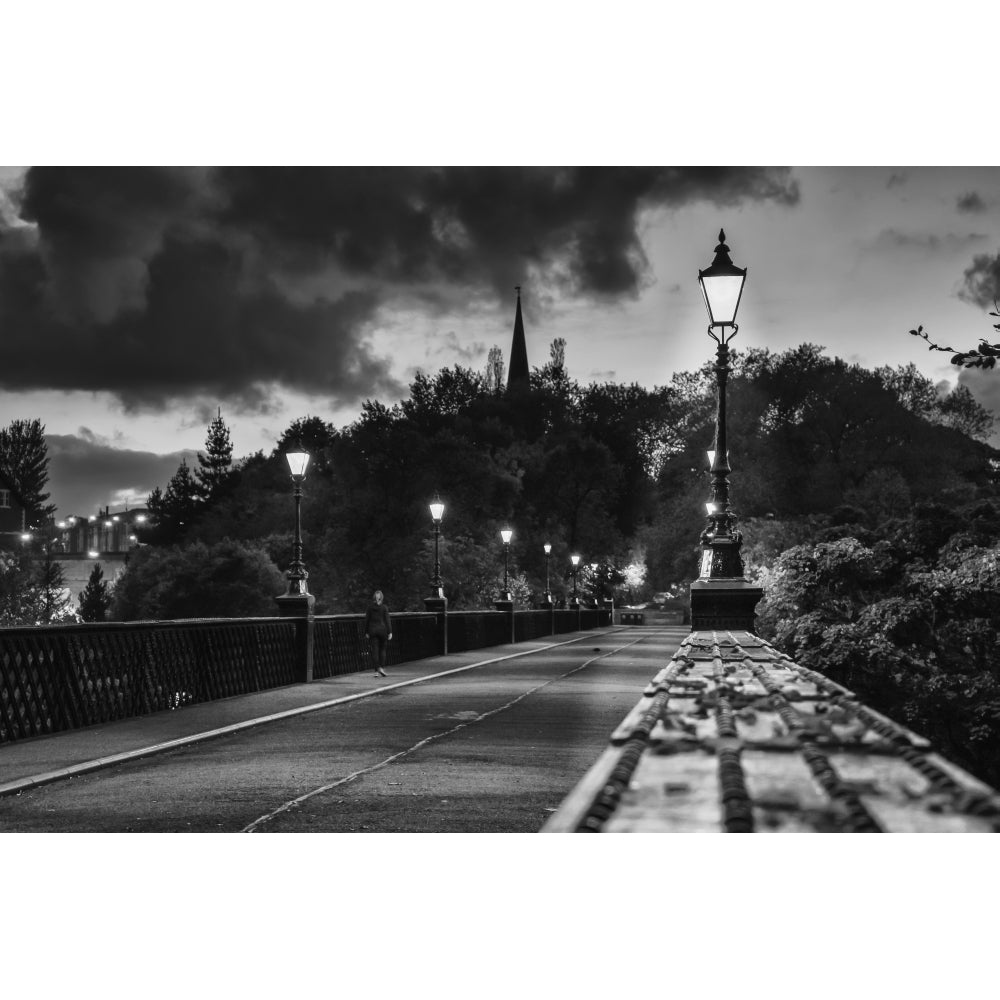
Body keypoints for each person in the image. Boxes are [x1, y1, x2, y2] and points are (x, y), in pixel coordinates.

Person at [365, 590, 393, 677]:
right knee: (383, 650)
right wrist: (390, 631)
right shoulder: (384, 607)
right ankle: (381, 667)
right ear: (382, 598)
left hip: (373, 630)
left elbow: (367, 620)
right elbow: (387, 620)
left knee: (375, 651)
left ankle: (376, 671)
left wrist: (366, 631)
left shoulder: (369, 608)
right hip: (382, 630)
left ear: (374, 598)